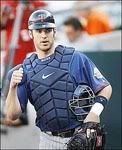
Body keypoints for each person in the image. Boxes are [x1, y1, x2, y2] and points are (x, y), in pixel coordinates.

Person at [5, 9, 112, 149]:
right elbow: (12, 115)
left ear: (54, 32)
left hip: (80, 136)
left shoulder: (75, 58)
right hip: (47, 140)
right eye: (38, 31)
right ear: (31, 33)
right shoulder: (25, 69)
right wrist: (12, 88)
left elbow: (105, 87)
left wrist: (94, 112)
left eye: (48, 30)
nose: (44, 35)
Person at [1, 0, 47, 126]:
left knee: (27, 86)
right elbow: (2, 24)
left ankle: (21, 116)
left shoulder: (36, 4)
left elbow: (45, 20)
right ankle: (10, 114)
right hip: (11, 53)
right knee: (8, 85)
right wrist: (5, 12)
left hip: (29, 54)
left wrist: (30, 9)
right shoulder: (7, 3)